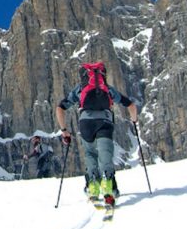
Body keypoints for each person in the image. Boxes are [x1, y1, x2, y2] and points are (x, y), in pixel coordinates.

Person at [55, 62, 138, 206]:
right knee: (105, 153)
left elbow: (60, 108)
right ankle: (109, 187)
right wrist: (134, 120)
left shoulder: (79, 90)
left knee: (90, 154)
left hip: (85, 123)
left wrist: (64, 131)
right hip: (104, 122)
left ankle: (93, 187)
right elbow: (130, 105)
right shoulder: (108, 89)